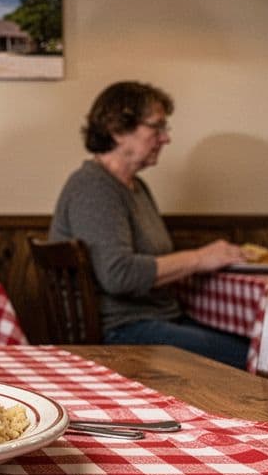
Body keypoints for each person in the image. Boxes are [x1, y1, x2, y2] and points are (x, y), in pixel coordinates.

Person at [49, 80, 249, 367]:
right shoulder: (93, 187)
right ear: (118, 131)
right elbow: (118, 274)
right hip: (119, 332)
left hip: (155, 320)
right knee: (260, 358)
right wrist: (200, 258)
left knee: (261, 345)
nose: (166, 138)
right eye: (157, 127)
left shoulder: (135, 187)